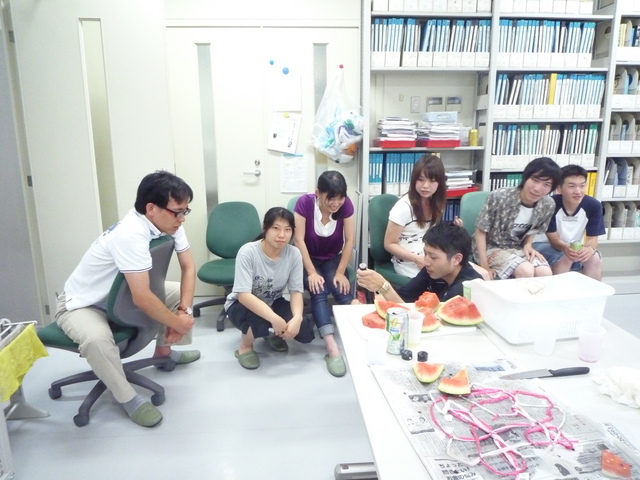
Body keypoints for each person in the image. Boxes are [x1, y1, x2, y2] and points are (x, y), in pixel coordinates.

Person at [55, 171, 200, 428]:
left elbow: (188, 267)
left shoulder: (170, 224)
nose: (182, 219)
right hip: (83, 304)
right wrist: (178, 323)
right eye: (177, 212)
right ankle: (128, 398)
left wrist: (184, 312)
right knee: (96, 340)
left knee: (179, 293)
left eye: (185, 211)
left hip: (122, 296)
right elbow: (142, 298)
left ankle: (164, 353)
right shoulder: (130, 234)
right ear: (151, 208)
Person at [225, 207, 315, 371]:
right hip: (241, 304)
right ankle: (245, 347)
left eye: (287, 229)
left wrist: (297, 318)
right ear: (265, 228)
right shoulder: (248, 252)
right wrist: (275, 318)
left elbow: (296, 291)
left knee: (305, 332)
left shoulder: (294, 254)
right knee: (259, 319)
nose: (282, 235)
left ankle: (270, 333)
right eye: (276, 228)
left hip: (273, 301)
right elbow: (243, 296)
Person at [384, 154, 490, 280]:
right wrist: (416, 259)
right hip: (410, 260)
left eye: (432, 181)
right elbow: (389, 244)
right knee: (461, 277)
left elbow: (431, 234)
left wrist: (452, 229)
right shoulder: (403, 207)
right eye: (421, 179)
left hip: (432, 253)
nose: (425, 185)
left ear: (440, 183)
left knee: (484, 274)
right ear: (413, 180)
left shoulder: (436, 203)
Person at [292, 170, 355, 377]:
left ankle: (362, 334)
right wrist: (311, 272)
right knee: (318, 290)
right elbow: (298, 240)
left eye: (340, 198)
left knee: (341, 289)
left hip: (331, 258)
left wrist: (341, 272)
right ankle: (331, 347)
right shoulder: (304, 203)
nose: (336, 203)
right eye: (331, 198)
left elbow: (350, 241)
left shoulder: (346, 205)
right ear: (318, 193)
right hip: (307, 257)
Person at [474, 157, 562, 280]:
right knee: (526, 270)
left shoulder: (548, 204)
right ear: (525, 178)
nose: (537, 188)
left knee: (545, 272)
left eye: (546, 184)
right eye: (535, 180)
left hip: (517, 248)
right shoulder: (499, 197)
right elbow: (480, 232)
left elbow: (534, 229)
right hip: (490, 248)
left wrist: (528, 245)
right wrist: (484, 266)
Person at [357, 221, 482, 303]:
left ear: (456, 259)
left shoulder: (467, 288)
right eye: (425, 253)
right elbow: (404, 297)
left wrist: (384, 287)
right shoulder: (431, 270)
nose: (426, 261)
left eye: (433, 257)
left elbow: (425, 321)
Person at [532, 164, 605, 280]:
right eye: (571, 186)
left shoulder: (594, 205)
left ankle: (593, 291)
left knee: (593, 257)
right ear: (559, 188)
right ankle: (558, 290)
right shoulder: (549, 204)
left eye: (582, 186)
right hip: (544, 245)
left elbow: (592, 239)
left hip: (571, 246)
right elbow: (553, 239)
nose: (578, 191)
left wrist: (589, 249)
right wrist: (566, 248)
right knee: (567, 256)